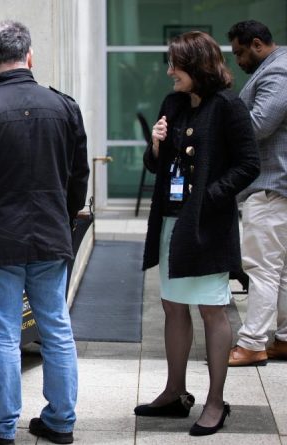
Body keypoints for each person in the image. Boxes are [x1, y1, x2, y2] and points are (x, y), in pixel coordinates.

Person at [0, 20, 89, 445]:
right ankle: (61, 422)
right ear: (30, 56)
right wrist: (64, 217)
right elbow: (77, 176)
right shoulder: (65, 107)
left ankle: (1, 425)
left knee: (3, 335)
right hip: (51, 235)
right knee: (56, 329)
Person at [135, 31, 259, 436]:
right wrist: (155, 146)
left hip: (207, 224)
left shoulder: (228, 106)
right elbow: (157, 167)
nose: (170, 71)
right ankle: (175, 392)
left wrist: (211, 196)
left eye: (176, 64)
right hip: (172, 221)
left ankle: (215, 401)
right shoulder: (173, 103)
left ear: (197, 65)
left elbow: (248, 165)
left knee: (211, 308)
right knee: (172, 305)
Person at [226, 20, 287, 367]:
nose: (238, 60)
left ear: (258, 44)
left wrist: (220, 128)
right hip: (278, 186)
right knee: (280, 271)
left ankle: (252, 344)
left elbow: (258, 124)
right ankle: (283, 339)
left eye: (240, 52)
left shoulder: (278, 72)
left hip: (270, 186)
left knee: (261, 269)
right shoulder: (276, 67)